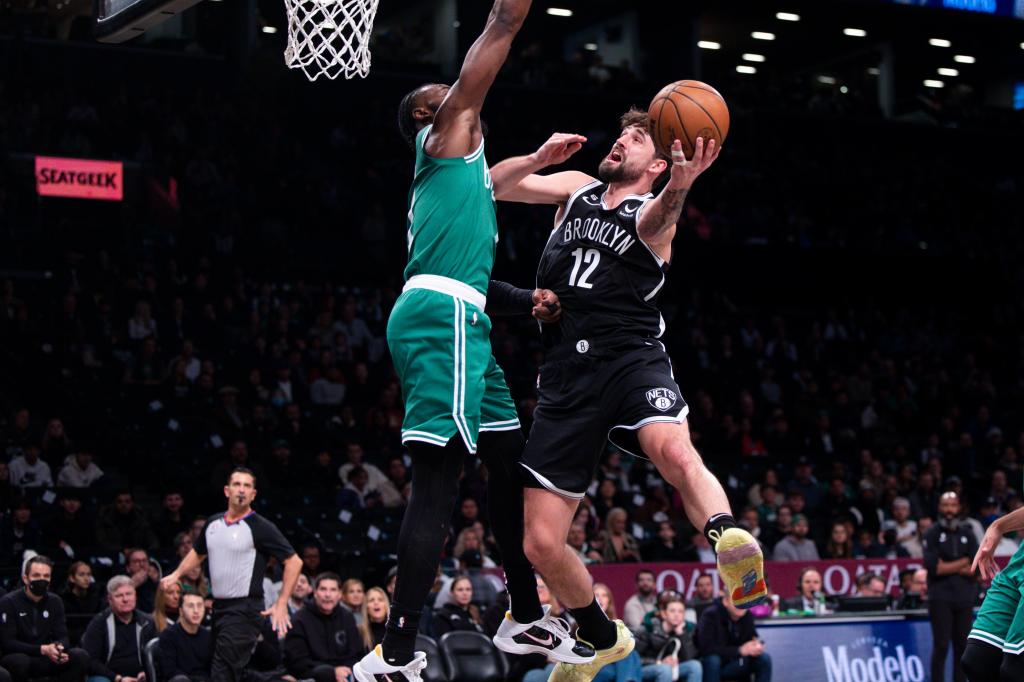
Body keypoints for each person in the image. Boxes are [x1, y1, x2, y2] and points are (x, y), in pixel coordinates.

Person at [353, 0, 593, 678]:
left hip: (467, 327)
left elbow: (525, 185)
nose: (458, 94)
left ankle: (522, 614)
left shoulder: (468, 177)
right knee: (437, 485)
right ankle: (396, 654)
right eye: (446, 95)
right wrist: (507, 16)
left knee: (508, 463)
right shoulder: (446, 134)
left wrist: (549, 162)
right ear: (431, 118)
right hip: (441, 320)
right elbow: (502, 28)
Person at [491, 107, 765, 680]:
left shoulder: (652, 214)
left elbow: (665, 212)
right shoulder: (576, 190)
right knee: (540, 543)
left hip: (631, 359)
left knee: (673, 450)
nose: (620, 142)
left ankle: (729, 537)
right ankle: (599, 635)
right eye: (621, 134)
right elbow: (490, 186)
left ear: (658, 163)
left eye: (636, 139)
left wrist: (681, 186)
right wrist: (539, 158)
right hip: (567, 373)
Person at [160, 468, 303, 682]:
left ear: (253, 494)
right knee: (233, 670)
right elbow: (198, 553)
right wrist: (177, 574)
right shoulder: (212, 524)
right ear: (227, 491)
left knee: (223, 671)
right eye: (237, 484)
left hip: (245, 609)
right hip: (220, 607)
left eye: (247, 486)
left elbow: (294, 561)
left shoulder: (260, 527)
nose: (242, 490)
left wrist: (282, 602)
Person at [961, 499, 1024, 680]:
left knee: (1016, 668)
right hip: (1020, 562)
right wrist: (997, 527)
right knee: (976, 660)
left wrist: (1000, 525)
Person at [0, 555, 89, 682]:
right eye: (36, 575)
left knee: (79, 656)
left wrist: (58, 648)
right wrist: (42, 649)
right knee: (19, 662)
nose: (42, 580)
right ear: (25, 578)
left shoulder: (55, 601)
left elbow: (63, 637)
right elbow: (8, 643)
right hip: (21, 656)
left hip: (47, 656)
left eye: (46, 576)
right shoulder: (9, 602)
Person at [923, 491, 978, 682]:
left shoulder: (968, 533)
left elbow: (975, 569)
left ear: (959, 508)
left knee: (962, 647)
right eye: (945, 505)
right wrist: (963, 561)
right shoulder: (931, 533)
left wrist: (949, 566)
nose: (949, 510)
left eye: (953, 505)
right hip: (940, 597)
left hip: (964, 597)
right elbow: (935, 568)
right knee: (941, 645)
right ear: (939, 507)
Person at [284, 573, 363, 682]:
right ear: (315, 592)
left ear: (340, 594)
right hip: (312, 676)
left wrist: (346, 671)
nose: (328, 594)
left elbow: (355, 653)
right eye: (323, 589)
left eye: (333, 590)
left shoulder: (347, 617)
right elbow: (297, 662)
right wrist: (333, 671)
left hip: (346, 675)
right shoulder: (299, 619)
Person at [80, 575, 156, 682]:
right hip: (109, 678)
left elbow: (157, 655)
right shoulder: (99, 623)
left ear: (135, 596)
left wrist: (146, 672)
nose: (125, 599)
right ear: (110, 600)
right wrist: (117, 678)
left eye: (129, 594)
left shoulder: (147, 622)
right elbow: (90, 660)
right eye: (119, 595)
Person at [696, 593, 772, 682]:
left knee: (764, 658)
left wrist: (757, 644)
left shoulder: (746, 615)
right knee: (713, 660)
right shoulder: (710, 615)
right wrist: (739, 650)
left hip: (737, 662)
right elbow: (706, 648)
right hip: (718, 664)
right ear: (726, 601)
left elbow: (753, 636)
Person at [636, 595, 703, 682]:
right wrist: (659, 662)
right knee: (665, 669)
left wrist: (681, 634)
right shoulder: (649, 628)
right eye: (672, 611)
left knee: (695, 666)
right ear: (664, 614)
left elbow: (689, 658)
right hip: (646, 669)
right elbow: (634, 658)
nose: (677, 615)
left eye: (680, 612)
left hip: (671, 669)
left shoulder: (685, 630)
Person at [158, 590, 213, 682]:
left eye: (199, 606)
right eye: (191, 606)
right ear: (181, 611)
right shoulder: (169, 636)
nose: (196, 611)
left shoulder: (208, 636)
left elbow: (214, 668)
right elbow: (170, 672)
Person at [123, 548, 159, 613]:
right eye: (136, 561)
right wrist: (131, 585)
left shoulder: (154, 582)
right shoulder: (120, 583)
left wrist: (157, 582)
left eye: (144, 561)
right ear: (128, 568)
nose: (142, 564)